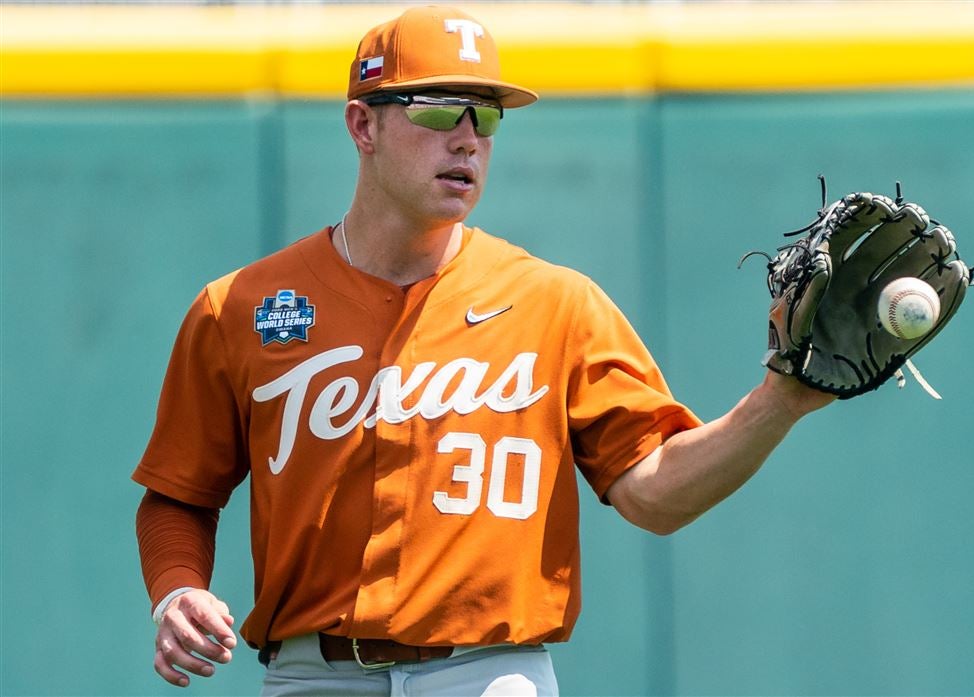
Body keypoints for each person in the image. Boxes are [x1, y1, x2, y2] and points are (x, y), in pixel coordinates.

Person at [133, 6, 834, 695]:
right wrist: (176, 590)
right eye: (441, 110)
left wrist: (780, 401)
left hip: (488, 673)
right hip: (311, 673)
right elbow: (178, 493)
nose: (468, 139)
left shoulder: (555, 304)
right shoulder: (241, 308)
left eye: (487, 116)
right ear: (362, 124)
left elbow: (653, 492)